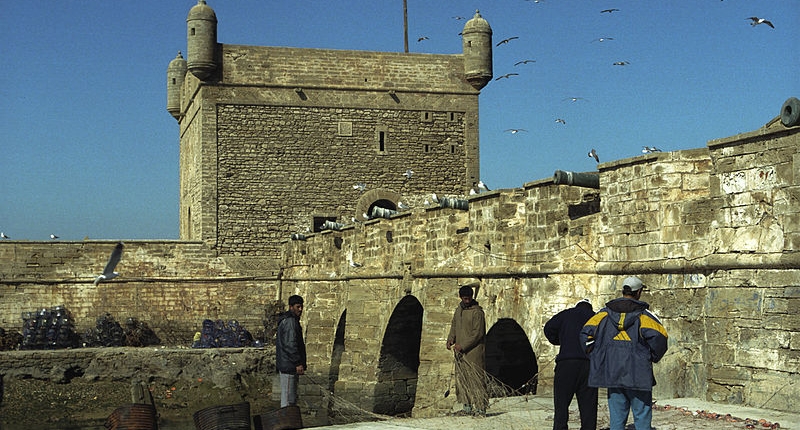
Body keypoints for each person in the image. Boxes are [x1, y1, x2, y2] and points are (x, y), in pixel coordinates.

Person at [580, 277, 668, 430]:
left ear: (623, 291)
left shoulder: (603, 315)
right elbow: (660, 338)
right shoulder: (644, 316)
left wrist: (597, 356)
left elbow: (585, 335)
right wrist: (651, 357)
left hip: (613, 373)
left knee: (617, 419)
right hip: (639, 375)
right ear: (639, 292)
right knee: (642, 418)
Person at [544, 299, 598, 430]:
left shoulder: (566, 314)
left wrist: (560, 340)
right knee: (588, 407)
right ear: (590, 307)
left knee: (561, 405)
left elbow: (548, 328)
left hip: (566, 363)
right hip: (588, 365)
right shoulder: (595, 317)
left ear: (577, 305)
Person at [446, 284, 488, 416]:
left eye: (469, 298)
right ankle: (467, 406)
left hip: (474, 352)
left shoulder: (477, 312)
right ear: (461, 297)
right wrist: (450, 338)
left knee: (476, 379)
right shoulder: (459, 310)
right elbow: (454, 325)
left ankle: (480, 408)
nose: (467, 300)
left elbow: (477, 333)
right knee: (463, 379)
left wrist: (463, 346)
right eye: (465, 298)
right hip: (460, 353)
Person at [276, 295, 307, 408]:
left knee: (290, 398)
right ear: (291, 307)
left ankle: (288, 417)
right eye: (298, 307)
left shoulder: (290, 320)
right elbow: (290, 344)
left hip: (288, 365)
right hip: (289, 366)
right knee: (288, 400)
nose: (300, 309)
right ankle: (286, 418)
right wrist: (298, 363)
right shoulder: (289, 322)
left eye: (301, 307)